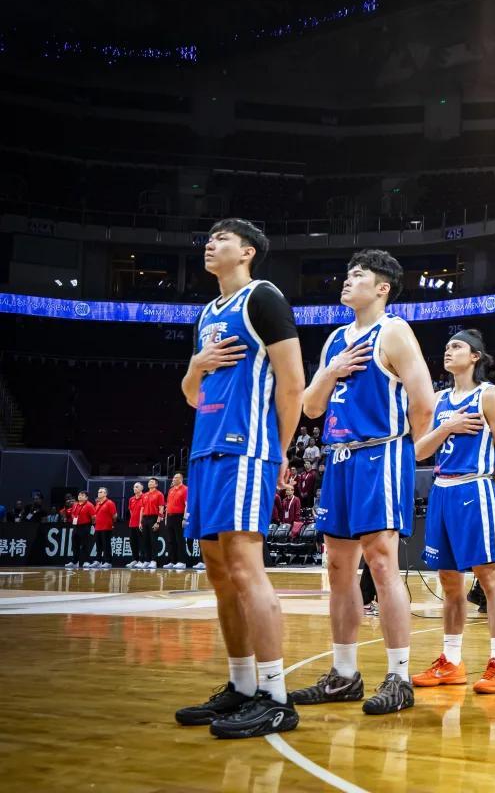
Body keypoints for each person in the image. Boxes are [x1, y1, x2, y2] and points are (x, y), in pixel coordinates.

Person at [173, 218, 305, 739]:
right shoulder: (208, 313)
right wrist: (196, 365)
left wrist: (279, 450)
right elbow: (192, 394)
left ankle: (275, 697)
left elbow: (292, 383)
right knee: (218, 571)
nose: (210, 243)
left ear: (247, 251)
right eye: (208, 238)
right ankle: (242, 684)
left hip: (247, 448)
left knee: (246, 568)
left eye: (221, 238)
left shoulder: (263, 298)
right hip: (206, 449)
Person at [290, 249, 435, 714]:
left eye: (358, 276)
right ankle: (344, 674)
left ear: (382, 288)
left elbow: (424, 402)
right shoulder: (336, 339)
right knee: (337, 568)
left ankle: (398, 677)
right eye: (347, 274)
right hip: (339, 457)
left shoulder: (394, 331)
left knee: (381, 563)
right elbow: (311, 407)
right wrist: (331, 372)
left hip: (380, 452)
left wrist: (405, 452)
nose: (347, 281)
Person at [414, 329, 495, 693]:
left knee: (488, 577)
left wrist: (487, 488)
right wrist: (448, 427)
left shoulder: (488, 395)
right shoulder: (439, 399)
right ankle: (451, 661)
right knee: (448, 580)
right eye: (446, 346)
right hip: (442, 491)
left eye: (456, 346)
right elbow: (419, 451)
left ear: (475, 356)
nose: (448, 351)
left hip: (474, 487)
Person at [139, 478, 165, 569]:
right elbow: (142, 509)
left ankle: (154, 561)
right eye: (149, 482)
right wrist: (140, 522)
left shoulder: (159, 494)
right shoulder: (144, 495)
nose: (150, 483)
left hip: (154, 518)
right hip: (145, 518)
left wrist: (158, 522)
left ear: (156, 484)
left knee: (153, 540)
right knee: (146, 541)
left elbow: (161, 509)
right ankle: (147, 560)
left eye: (152, 482)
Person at [164, 473, 188, 569]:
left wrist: (184, 518)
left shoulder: (185, 489)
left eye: (176, 478)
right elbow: (168, 505)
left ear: (181, 479)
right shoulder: (171, 490)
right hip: (170, 517)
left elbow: (187, 505)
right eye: (173, 477)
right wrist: (166, 518)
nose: (173, 479)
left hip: (179, 516)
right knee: (171, 540)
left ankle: (182, 561)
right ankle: (172, 561)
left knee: (180, 540)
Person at [64, 491, 94, 570]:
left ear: (86, 497)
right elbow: (72, 513)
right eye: (79, 495)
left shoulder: (89, 505)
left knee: (85, 545)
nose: (80, 496)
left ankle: (86, 561)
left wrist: (91, 525)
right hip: (76, 526)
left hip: (85, 526)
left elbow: (93, 517)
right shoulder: (75, 504)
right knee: (75, 545)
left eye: (82, 495)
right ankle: (75, 562)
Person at [89, 487, 116, 570]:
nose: (99, 493)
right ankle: (98, 561)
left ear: (105, 494)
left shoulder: (110, 503)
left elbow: (114, 515)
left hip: (106, 528)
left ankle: (108, 562)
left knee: (106, 545)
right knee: (98, 545)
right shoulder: (97, 504)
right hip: (98, 528)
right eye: (98, 492)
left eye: (101, 492)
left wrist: (111, 523)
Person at [126, 482, 144, 568]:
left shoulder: (144, 497)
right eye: (134, 487)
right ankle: (134, 559)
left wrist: (141, 521)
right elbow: (131, 510)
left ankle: (141, 560)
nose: (134, 488)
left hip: (141, 524)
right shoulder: (131, 499)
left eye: (137, 487)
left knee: (141, 542)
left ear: (141, 488)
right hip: (132, 524)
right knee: (133, 543)